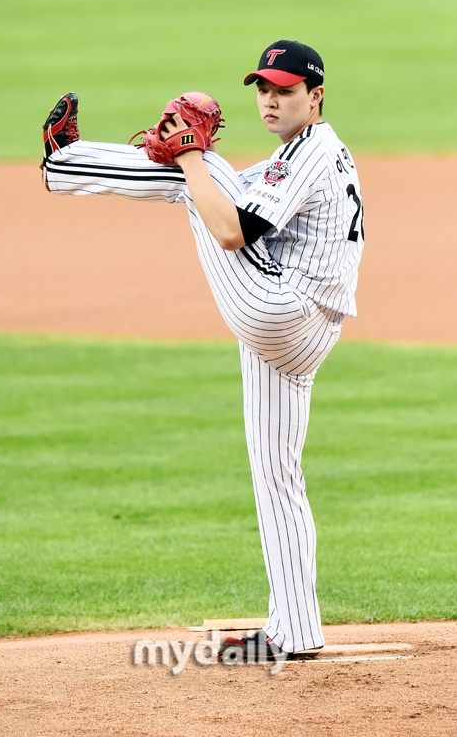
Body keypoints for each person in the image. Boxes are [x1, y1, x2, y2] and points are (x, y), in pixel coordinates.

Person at [41, 39, 364, 661]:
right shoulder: (299, 153)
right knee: (277, 477)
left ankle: (65, 163)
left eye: (286, 89)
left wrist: (189, 154)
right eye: (264, 89)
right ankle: (295, 630)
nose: (271, 99)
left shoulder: (315, 151)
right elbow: (221, 198)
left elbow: (229, 228)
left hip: (283, 312)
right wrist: (174, 159)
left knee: (202, 174)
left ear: (316, 94)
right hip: (299, 329)